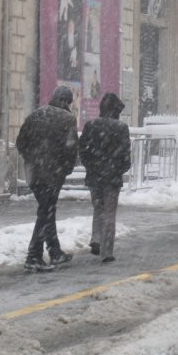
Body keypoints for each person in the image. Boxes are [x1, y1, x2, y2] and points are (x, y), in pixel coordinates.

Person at [16, 86, 79, 271]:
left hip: (34, 172)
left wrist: (32, 159)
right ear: (68, 102)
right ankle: (33, 255)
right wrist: (64, 169)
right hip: (53, 174)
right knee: (45, 212)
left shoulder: (36, 114)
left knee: (47, 211)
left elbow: (21, 142)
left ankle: (55, 251)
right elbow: (71, 149)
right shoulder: (68, 119)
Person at [78, 92, 131, 263]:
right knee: (109, 213)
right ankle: (107, 251)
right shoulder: (121, 128)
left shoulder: (90, 125)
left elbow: (83, 151)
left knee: (98, 208)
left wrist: (91, 167)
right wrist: (118, 170)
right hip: (112, 178)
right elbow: (125, 156)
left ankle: (96, 238)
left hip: (95, 177)